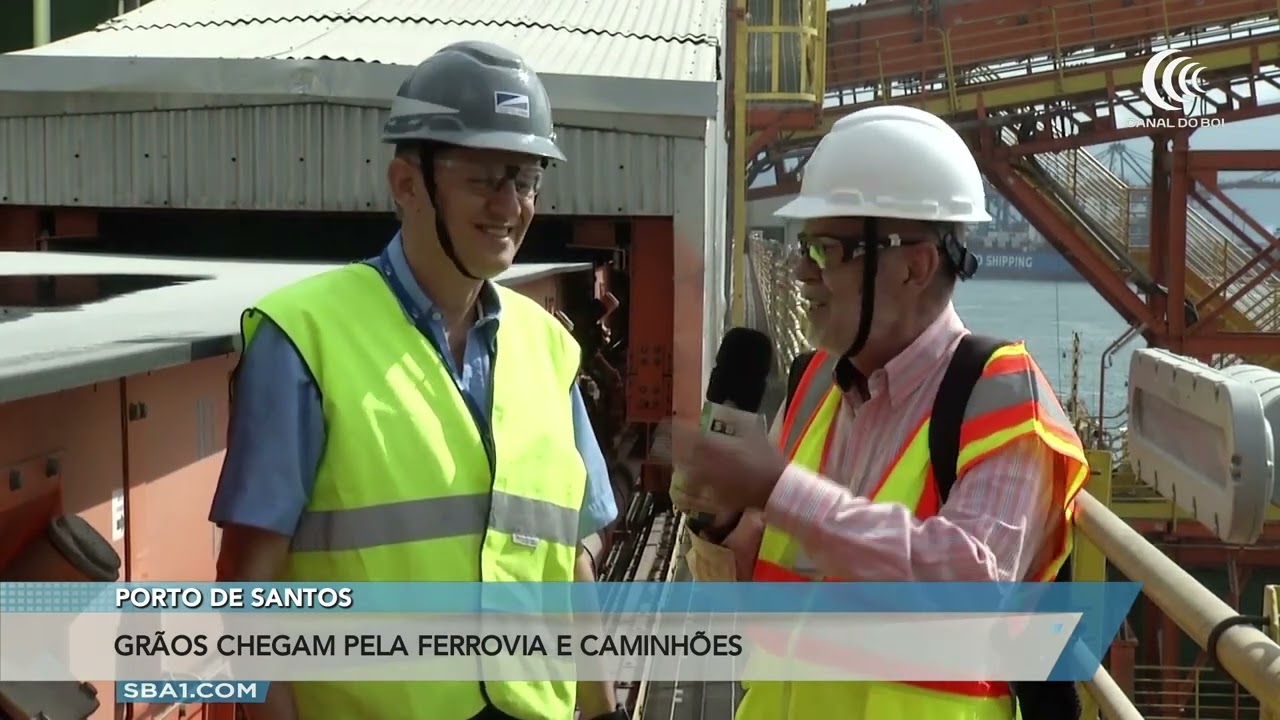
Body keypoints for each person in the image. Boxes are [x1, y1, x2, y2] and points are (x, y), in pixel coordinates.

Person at [210, 40, 626, 720]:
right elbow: (248, 587)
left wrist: (602, 709)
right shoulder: (305, 340)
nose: (510, 205)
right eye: (485, 178)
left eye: (525, 179)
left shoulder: (548, 349)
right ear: (407, 184)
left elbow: (572, 560)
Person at [675, 105, 1090, 718]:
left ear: (916, 267)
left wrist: (779, 488)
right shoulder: (816, 383)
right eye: (801, 247)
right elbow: (771, 586)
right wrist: (724, 522)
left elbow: (973, 591)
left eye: (824, 250)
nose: (799, 272)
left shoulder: (1000, 399)